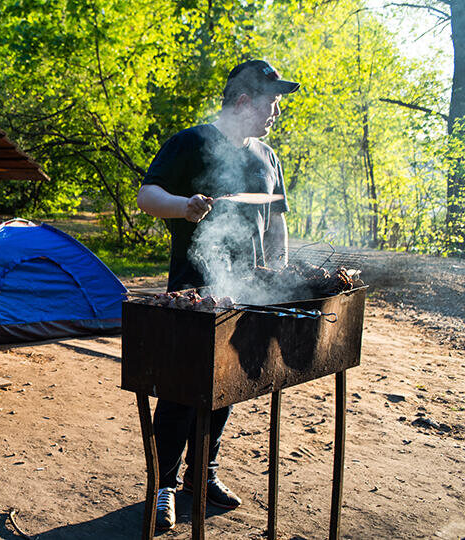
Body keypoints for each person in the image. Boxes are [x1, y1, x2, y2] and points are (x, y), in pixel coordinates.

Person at [136, 59, 299, 530]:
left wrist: (279, 272)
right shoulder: (191, 142)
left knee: (226, 385)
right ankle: (162, 486)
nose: (276, 111)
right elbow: (148, 196)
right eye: (271, 101)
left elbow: (277, 220)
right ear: (245, 100)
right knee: (179, 390)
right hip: (193, 291)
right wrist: (183, 207)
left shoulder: (268, 157)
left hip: (244, 292)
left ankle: (200, 474)